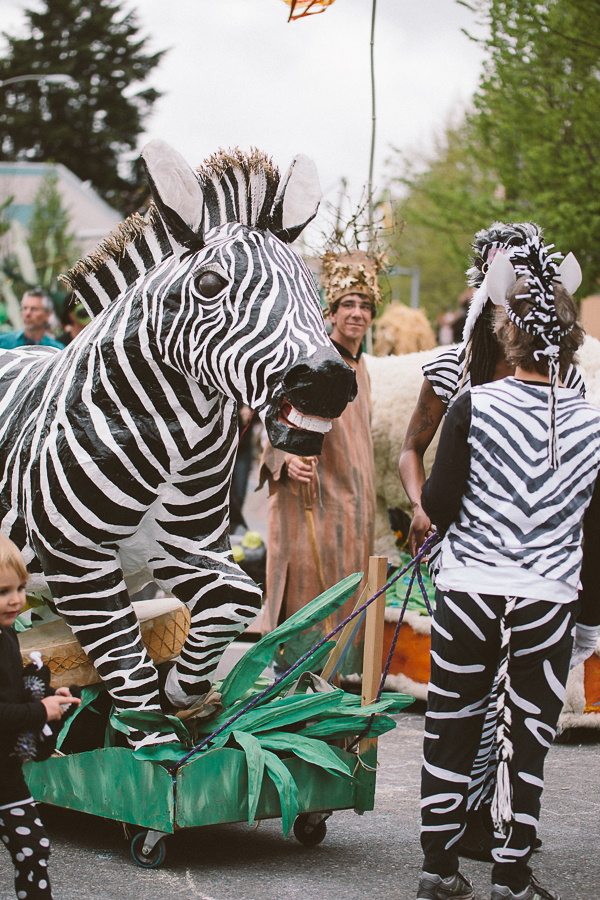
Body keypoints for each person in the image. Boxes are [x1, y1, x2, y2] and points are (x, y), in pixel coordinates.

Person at [415, 244, 600, 900]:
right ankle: (512, 874)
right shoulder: (593, 423)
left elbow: (437, 504)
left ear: (507, 332)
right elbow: (595, 535)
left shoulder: (476, 407)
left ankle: (438, 866)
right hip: (548, 598)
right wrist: (589, 625)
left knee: (452, 720)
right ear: (572, 341)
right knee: (530, 736)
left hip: (468, 588)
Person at [399, 223, 584, 560]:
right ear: (489, 302)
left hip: (543, 545)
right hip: (464, 544)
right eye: (509, 301)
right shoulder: (454, 368)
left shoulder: (566, 378)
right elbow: (411, 449)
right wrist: (421, 506)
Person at [258, 250, 378, 675]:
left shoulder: (362, 367)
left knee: (348, 599)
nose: (357, 313)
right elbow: (272, 411)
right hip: (313, 501)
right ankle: (291, 697)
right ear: (331, 311)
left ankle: (335, 693)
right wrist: (285, 459)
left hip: (355, 509)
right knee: (309, 596)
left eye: (365, 305)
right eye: (348, 303)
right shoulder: (315, 359)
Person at [0, 533, 80, 900]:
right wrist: (38, 710)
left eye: (19, 588)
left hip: (6, 769)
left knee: (33, 847)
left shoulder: (7, 635)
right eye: (3, 591)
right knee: (30, 846)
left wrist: (49, 699)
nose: (15, 599)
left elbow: (10, 695)